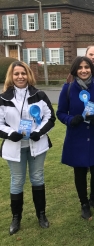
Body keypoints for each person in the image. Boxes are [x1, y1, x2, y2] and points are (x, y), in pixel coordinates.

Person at [0, 61, 55, 235]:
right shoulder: (3, 98)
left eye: (23, 73)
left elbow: (50, 117)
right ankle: (16, 218)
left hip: (36, 145)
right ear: (11, 76)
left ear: (28, 74)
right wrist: (10, 133)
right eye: (16, 74)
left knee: (37, 178)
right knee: (17, 181)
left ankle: (41, 215)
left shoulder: (39, 95)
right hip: (14, 147)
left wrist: (38, 132)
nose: (20, 77)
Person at [57, 56, 94, 220]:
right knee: (79, 172)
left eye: (87, 67)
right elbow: (60, 112)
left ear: (92, 69)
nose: (83, 70)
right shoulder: (67, 89)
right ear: (75, 70)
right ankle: (84, 204)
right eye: (80, 67)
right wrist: (69, 120)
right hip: (77, 136)